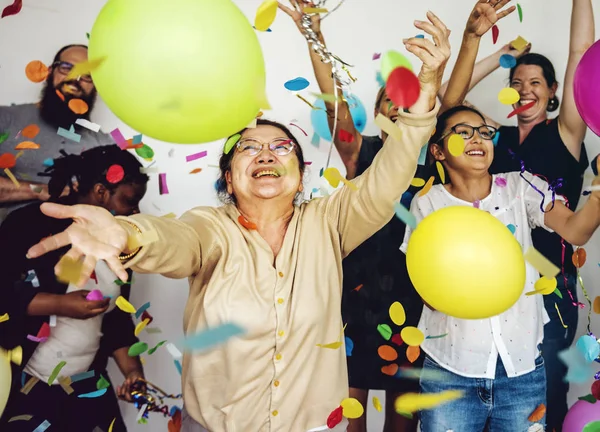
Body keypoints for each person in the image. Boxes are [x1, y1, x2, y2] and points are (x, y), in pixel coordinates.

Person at [23, 13, 450, 430]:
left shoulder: (331, 221)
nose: (266, 153)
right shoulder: (210, 227)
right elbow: (175, 240)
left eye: (281, 147)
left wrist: (425, 90)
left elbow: (388, 178)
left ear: (300, 173)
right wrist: (127, 232)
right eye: (249, 148)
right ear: (229, 176)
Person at [278, 2, 450, 430]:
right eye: (388, 100)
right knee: (349, 411)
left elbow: (449, 92)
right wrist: (311, 32)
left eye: (405, 101)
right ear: (377, 112)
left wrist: (465, 46)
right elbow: (334, 103)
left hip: (415, 292)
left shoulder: (432, 158)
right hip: (357, 293)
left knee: (403, 417)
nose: (397, 106)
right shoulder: (362, 150)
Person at [438, 1, 595, 429]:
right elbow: (449, 105)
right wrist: (497, 56)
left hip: (548, 278)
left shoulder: (564, 133)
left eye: (536, 83)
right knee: (488, 386)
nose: (525, 89)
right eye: (516, 81)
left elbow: (581, 53)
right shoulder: (492, 138)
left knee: (544, 389)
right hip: (488, 278)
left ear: (554, 92)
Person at [400, 105, 600, 432]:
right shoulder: (427, 203)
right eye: (462, 132)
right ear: (437, 151)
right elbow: (428, 291)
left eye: (483, 131)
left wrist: (597, 197)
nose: (477, 138)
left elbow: (576, 231)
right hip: (451, 370)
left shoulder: (522, 187)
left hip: (523, 372)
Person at [0, 145, 149, 431]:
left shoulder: (120, 245)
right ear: (101, 191)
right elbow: (4, 294)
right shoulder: (27, 225)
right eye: (130, 201)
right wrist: (60, 304)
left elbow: (116, 319)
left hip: (87, 384)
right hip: (28, 383)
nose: (136, 211)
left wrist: (133, 373)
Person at [0, 44, 114, 222]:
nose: (76, 79)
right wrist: (41, 190)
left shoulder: (104, 144)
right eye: (67, 67)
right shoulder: (6, 119)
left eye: (87, 75)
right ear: (50, 72)